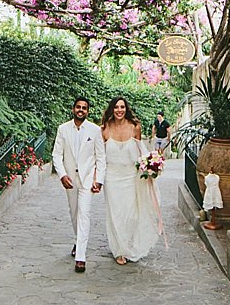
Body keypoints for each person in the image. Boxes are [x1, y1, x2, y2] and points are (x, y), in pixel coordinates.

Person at [101, 96, 161, 265]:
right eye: (116, 107)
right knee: (115, 214)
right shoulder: (104, 129)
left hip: (130, 176)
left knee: (132, 214)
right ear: (112, 109)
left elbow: (141, 152)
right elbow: (100, 156)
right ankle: (119, 250)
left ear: (126, 109)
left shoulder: (135, 127)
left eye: (122, 107)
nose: (119, 110)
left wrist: (151, 166)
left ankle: (128, 243)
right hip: (112, 177)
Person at [52, 96, 106, 273]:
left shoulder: (95, 130)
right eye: (78, 107)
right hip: (70, 179)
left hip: (87, 179)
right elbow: (56, 155)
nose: (81, 110)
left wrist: (99, 180)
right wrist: (62, 175)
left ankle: (80, 257)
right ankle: (78, 241)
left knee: (85, 214)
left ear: (88, 111)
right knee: (74, 213)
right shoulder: (63, 129)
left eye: (84, 108)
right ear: (73, 109)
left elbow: (101, 157)